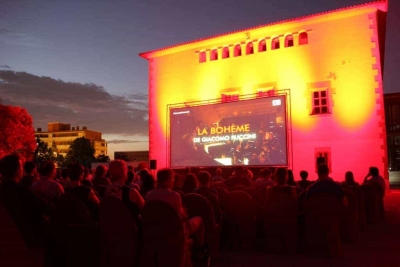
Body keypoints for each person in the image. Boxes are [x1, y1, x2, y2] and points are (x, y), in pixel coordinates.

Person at [145, 168, 205, 247]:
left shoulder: (149, 195)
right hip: (174, 231)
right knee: (199, 220)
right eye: (173, 178)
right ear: (169, 179)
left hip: (155, 231)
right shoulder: (175, 196)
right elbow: (182, 217)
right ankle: (199, 251)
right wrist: (185, 211)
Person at [0, 154, 45, 248]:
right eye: (21, 166)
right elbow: (43, 209)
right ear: (17, 171)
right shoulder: (23, 192)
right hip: (23, 242)